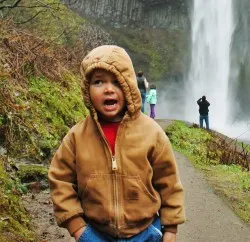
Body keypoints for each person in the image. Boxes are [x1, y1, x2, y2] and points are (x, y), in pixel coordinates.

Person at [48, 45, 185, 242]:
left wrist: (170, 228)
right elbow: (59, 179)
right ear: (87, 90)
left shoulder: (152, 132)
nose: (109, 89)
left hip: (146, 232)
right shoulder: (77, 136)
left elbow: (169, 182)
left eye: (116, 82)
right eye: (98, 82)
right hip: (94, 233)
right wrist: (77, 227)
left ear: (129, 86)